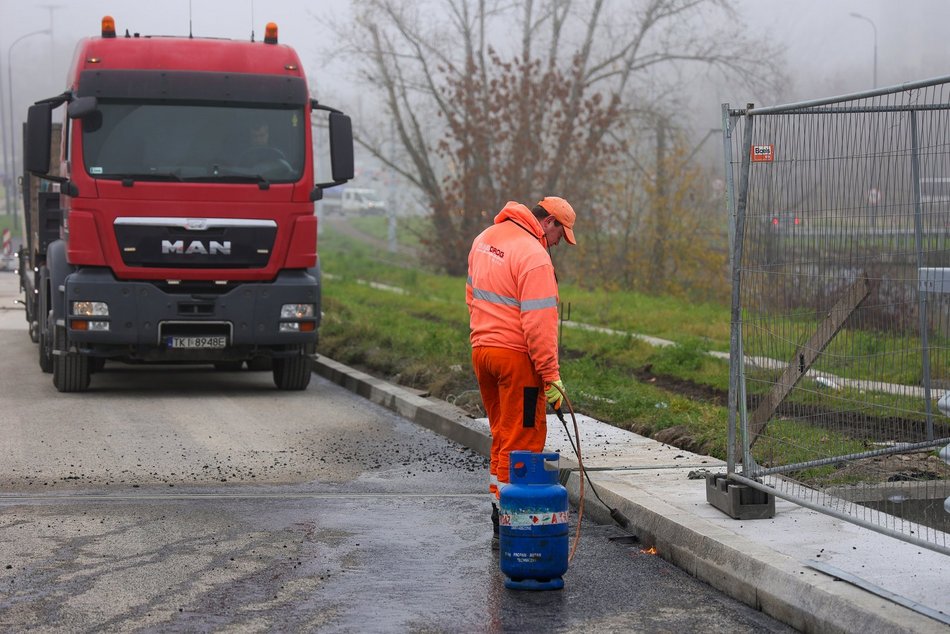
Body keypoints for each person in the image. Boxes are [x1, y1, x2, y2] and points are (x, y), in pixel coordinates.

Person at [465, 196, 577, 549]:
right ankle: (515, 524)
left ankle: (499, 513)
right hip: (516, 361)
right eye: (562, 234)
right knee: (524, 443)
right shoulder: (533, 255)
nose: (559, 243)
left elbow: (472, 297)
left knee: (502, 435)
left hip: (483, 352)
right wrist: (551, 376)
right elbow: (539, 324)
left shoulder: (485, 238)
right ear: (550, 223)